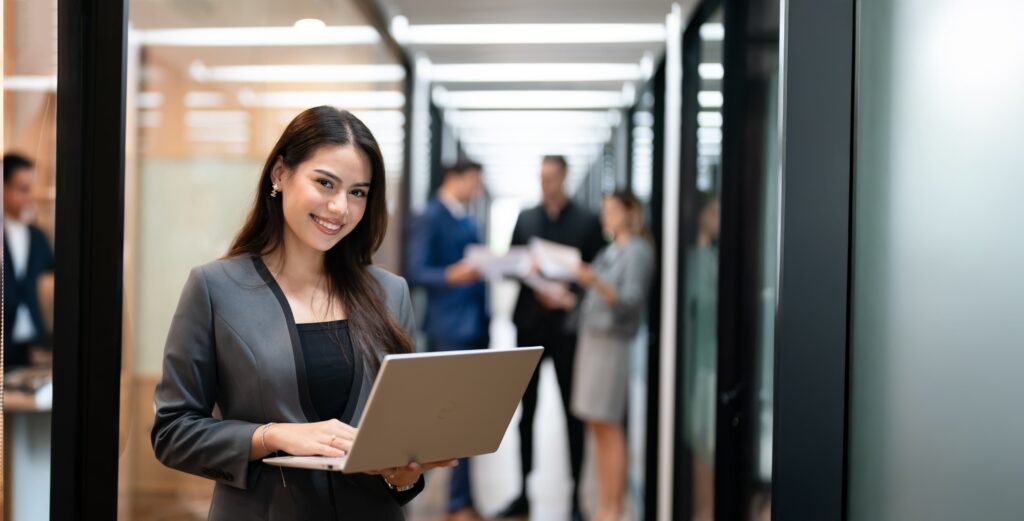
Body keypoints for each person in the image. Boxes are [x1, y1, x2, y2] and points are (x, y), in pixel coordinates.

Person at [151, 106, 456, 520]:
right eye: (325, 183)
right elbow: (173, 432)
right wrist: (273, 436)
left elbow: (400, 436)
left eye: (357, 192)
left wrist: (403, 473)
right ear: (280, 174)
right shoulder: (215, 288)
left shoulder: (389, 293)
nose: (339, 208)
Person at [496, 155, 605, 520]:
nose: (545, 185)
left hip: (569, 330)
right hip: (529, 326)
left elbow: (598, 275)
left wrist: (569, 292)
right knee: (525, 411)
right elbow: (511, 265)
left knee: (573, 412)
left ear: (564, 178)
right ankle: (523, 492)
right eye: (541, 178)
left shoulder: (588, 221)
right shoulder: (526, 218)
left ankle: (576, 499)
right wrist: (528, 273)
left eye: (551, 178)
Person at [404, 160, 489, 521]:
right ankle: (453, 502)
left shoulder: (466, 217)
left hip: (472, 326)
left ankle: (462, 499)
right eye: (473, 181)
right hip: (448, 327)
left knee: (468, 417)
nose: (477, 189)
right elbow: (415, 270)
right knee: (454, 416)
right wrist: (452, 275)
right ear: (453, 179)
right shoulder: (431, 215)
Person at [573, 191, 655, 521]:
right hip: (593, 342)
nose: (605, 217)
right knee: (596, 425)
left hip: (611, 344)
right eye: (603, 210)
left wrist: (593, 278)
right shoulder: (611, 250)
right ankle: (604, 503)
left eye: (611, 211)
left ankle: (613, 507)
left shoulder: (637, 251)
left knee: (609, 426)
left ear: (630, 213)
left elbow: (629, 301)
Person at [3, 153, 55, 370]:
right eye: (21, 189)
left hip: (32, 344)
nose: (28, 197)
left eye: (29, 189)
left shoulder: (37, 236)